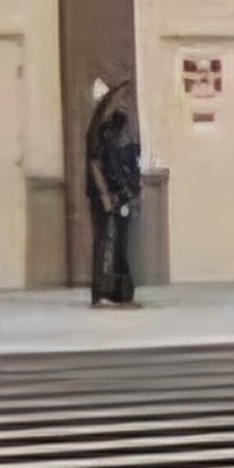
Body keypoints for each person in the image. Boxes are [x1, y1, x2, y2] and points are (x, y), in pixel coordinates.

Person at [87, 79, 142, 307]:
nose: (128, 102)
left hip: (123, 195)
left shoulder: (124, 128)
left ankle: (121, 290)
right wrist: (106, 195)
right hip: (111, 196)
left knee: (121, 243)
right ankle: (107, 289)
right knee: (109, 242)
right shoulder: (108, 129)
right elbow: (96, 163)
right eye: (124, 97)